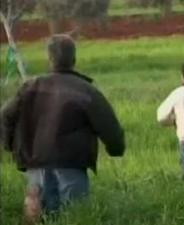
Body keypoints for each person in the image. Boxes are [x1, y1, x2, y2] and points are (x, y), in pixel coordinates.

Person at [0, 35, 125, 223]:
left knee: (38, 217)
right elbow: (109, 125)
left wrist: (9, 145)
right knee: (75, 217)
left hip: (35, 162)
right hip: (71, 163)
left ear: (49, 59)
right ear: (74, 60)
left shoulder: (30, 87)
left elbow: (5, 116)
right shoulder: (86, 90)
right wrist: (116, 148)